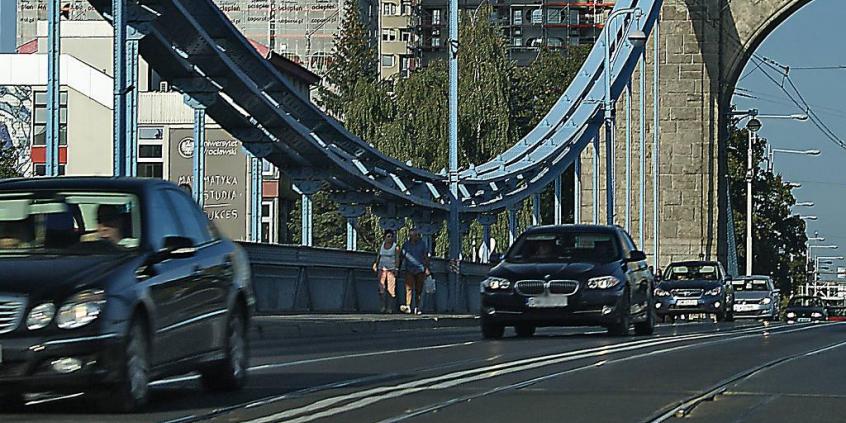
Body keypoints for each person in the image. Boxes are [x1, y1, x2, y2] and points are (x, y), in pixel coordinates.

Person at [400, 227, 429, 314]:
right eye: (413, 235)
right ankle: (408, 306)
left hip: (420, 269)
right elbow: (402, 256)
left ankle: (417, 307)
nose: (415, 237)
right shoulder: (406, 245)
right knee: (409, 287)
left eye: (416, 235)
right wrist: (398, 267)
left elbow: (425, 257)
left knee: (418, 289)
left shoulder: (422, 244)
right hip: (409, 268)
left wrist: (427, 268)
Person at [372, 230, 399, 313]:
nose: (390, 238)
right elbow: (378, 256)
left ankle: (389, 308)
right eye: (388, 236)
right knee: (381, 288)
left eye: (391, 236)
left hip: (391, 269)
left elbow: (397, 258)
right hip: (382, 269)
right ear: (385, 237)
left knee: (391, 289)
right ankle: (383, 306)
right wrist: (375, 264)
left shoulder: (396, 247)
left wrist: (396, 268)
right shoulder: (382, 246)